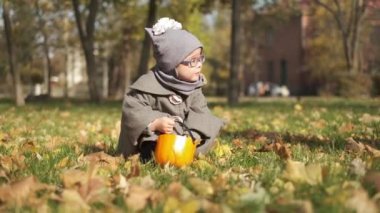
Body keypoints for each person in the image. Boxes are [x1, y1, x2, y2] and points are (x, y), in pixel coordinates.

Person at [117, 17, 224, 162]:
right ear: (172, 64)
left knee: (209, 123)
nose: (198, 65)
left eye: (200, 59)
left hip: (184, 133)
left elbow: (200, 112)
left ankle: (191, 150)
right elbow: (133, 110)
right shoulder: (147, 85)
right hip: (159, 133)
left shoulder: (195, 88)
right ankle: (149, 154)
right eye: (192, 61)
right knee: (152, 138)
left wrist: (191, 133)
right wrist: (154, 123)